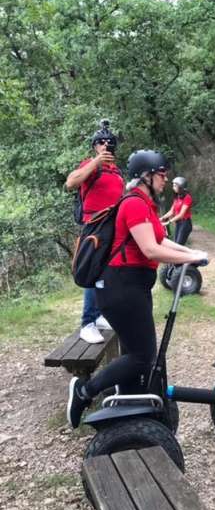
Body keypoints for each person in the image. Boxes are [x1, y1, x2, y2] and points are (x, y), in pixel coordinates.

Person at [65, 150, 208, 429]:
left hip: (129, 287)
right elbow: (151, 249)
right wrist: (191, 258)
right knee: (143, 357)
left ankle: (128, 405)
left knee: (133, 352)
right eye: (161, 174)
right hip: (121, 288)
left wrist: (191, 252)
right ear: (146, 175)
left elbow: (161, 242)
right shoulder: (133, 204)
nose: (165, 180)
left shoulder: (144, 204)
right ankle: (84, 391)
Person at [64, 121, 123, 344]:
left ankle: (99, 316)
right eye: (100, 143)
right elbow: (71, 182)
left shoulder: (116, 171)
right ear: (94, 147)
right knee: (91, 271)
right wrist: (96, 161)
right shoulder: (91, 165)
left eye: (109, 143)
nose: (105, 146)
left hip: (112, 227)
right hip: (94, 225)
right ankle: (87, 323)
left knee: (105, 275)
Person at [159, 177, 193, 245]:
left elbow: (181, 215)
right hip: (179, 223)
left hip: (185, 224)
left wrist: (168, 222)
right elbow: (171, 211)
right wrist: (161, 218)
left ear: (181, 186)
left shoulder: (187, 198)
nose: (173, 187)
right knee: (176, 244)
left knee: (179, 245)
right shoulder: (177, 197)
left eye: (175, 185)